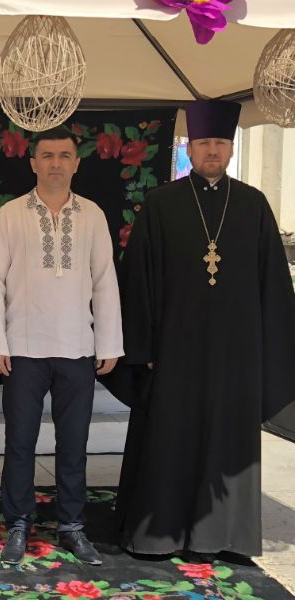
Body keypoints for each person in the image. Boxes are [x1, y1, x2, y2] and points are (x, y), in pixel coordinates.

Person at [114, 99, 295, 560]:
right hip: (174, 350)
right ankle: (160, 534)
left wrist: (267, 352)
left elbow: (274, 287)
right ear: (189, 149)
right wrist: (142, 347)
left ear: (230, 149)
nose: (212, 151)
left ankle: (224, 536)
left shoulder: (254, 205)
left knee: (227, 440)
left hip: (237, 354)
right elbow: (138, 281)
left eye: (220, 143)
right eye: (203, 143)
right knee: (169, 438)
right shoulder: (160, 204)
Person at [0, 127, 123, 566]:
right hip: (23, 348)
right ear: (33, 163)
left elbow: (105, 280)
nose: (55, 163)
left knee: (74, 443)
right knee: (20, 442)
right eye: (47, 155)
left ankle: (72, 525)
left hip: (77, 346)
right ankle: (19, 523)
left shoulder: (92, 215)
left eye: (63, 155)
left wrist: (109, 342)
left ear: (76, 163)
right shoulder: (11, 213)